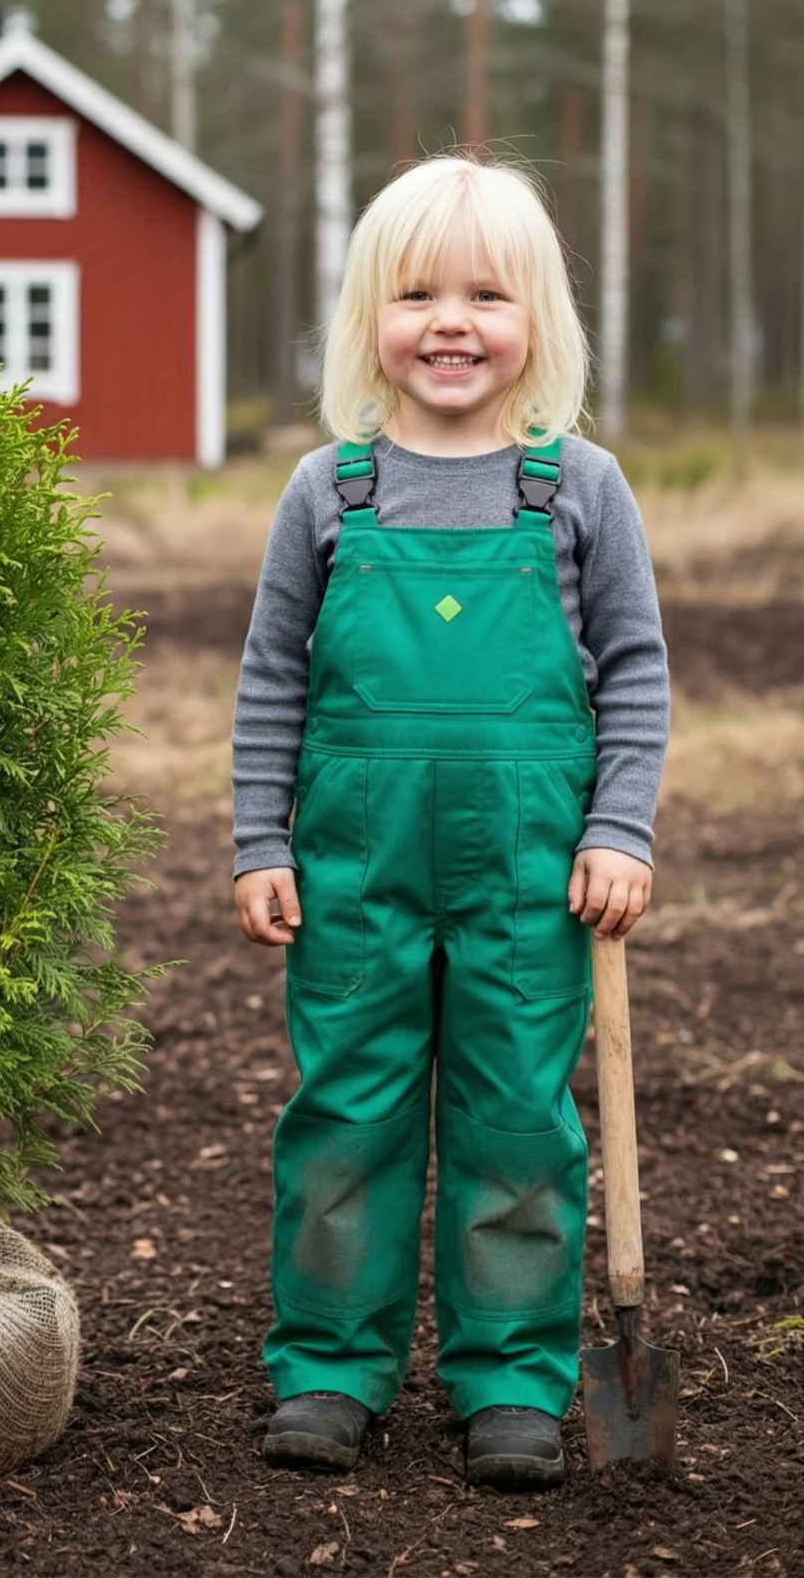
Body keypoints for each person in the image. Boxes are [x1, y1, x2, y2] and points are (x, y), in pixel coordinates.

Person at [232, 153, 669, 1491]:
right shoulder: (331, 490)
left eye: (487, 293)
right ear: (371, 315)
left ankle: (511, 1381)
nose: (452, 321)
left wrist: (620, 829)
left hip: (531, 871)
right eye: (417, 292)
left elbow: (636, 674)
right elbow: (274, 680)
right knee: (345, 1108)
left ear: (539, 319)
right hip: (356, 866)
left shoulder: (578, 488)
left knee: (518, 1116)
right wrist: (260, 839)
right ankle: (328, 1367)